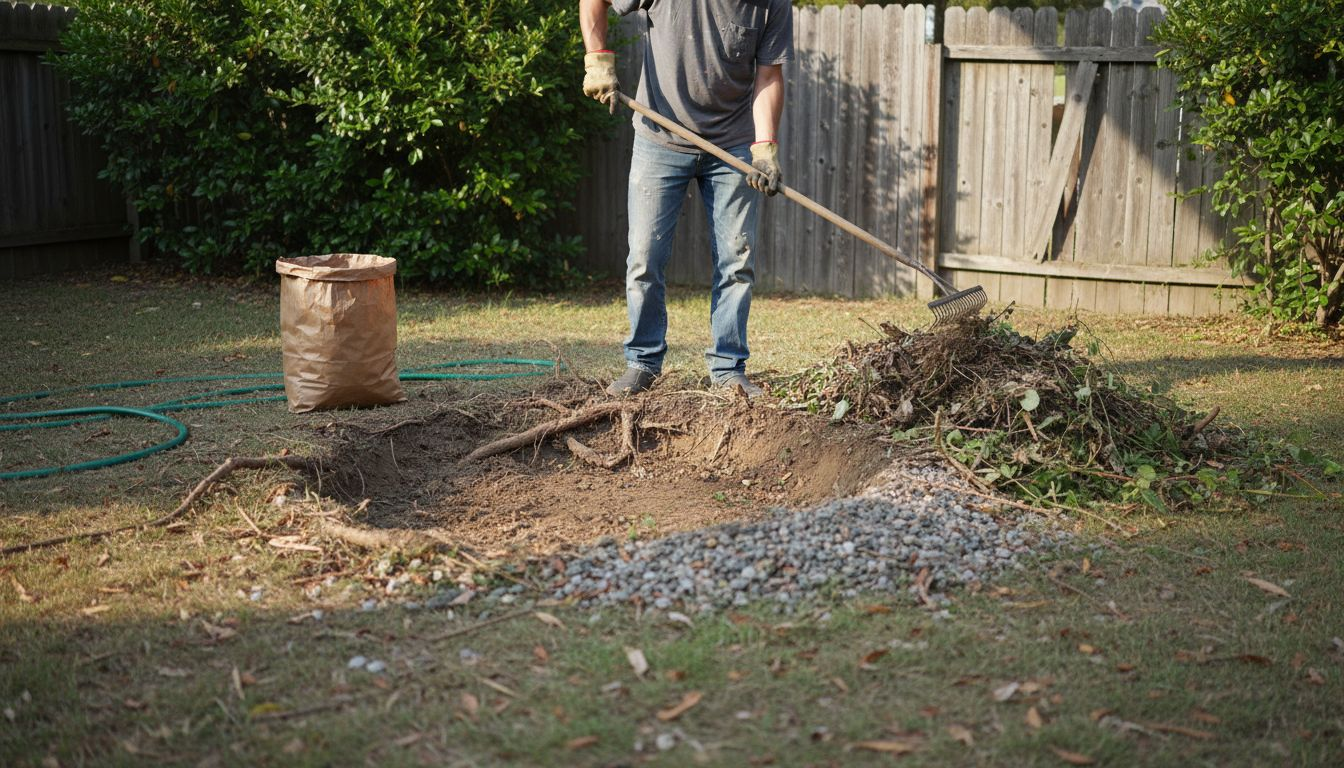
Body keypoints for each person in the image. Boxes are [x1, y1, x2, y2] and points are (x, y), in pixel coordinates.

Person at [578, 0, 794, 398]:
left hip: (733, 146)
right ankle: (642, 361)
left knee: (737, 260)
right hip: (659, 136)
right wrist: (597, 58)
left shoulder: (772, 4)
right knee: (644, 257)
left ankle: (729, 368)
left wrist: (764, 146)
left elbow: (768, 74)